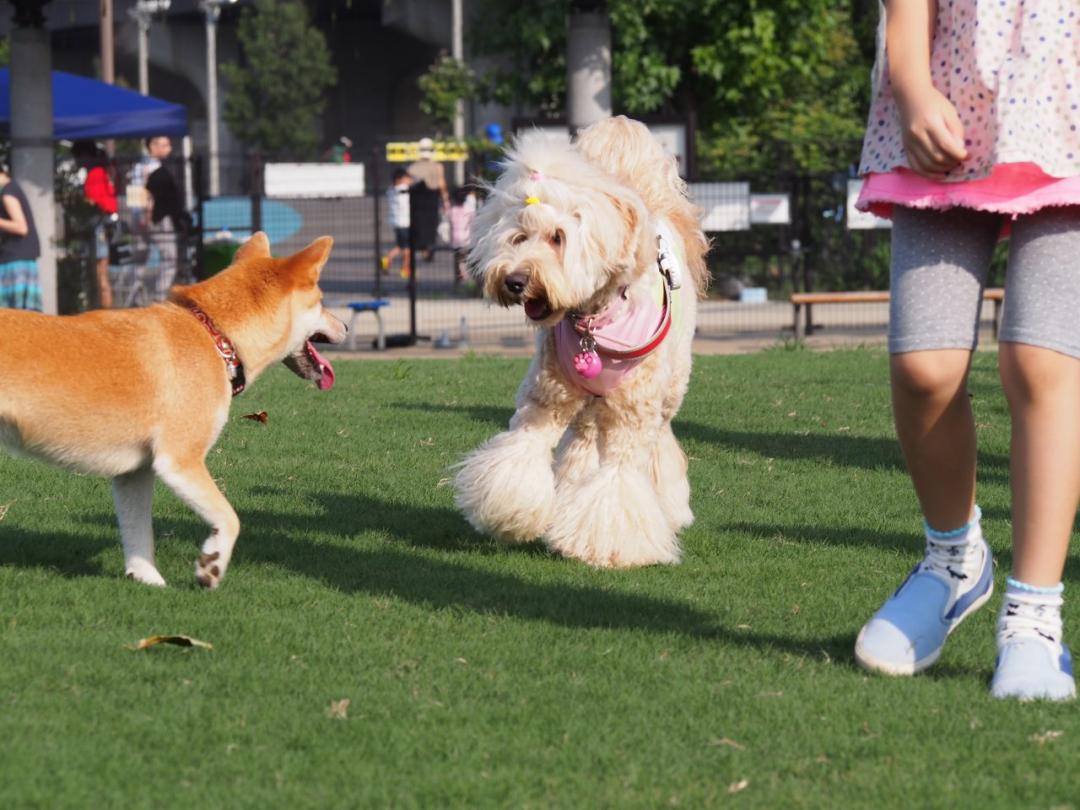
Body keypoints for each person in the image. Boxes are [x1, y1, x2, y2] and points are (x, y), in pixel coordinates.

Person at [853, 1, 1080, 701]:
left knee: (1042, 362)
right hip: (947, 98)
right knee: (925, 369)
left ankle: (1034, 617)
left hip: (1068, 105)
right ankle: (953, 560)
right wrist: (912, 84)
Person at [142, 135, 189, 299]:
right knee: (168, 260)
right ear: (152, 147)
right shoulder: (150, 169)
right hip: (158, 220)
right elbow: (146, 198)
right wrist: (146, 217)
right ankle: (158, 297)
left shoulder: (164, 167)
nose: (168, 149)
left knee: (145, 261)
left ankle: (155, 295)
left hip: (158, 219)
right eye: (164, 145)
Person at [72, 140, 117, 309]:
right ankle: (104, 309)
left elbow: (95, 202)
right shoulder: (102, 171)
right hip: (103, 227)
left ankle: (105, 311)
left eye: (78, 157)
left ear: (86, 156)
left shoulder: (95, 173)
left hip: (98, 228)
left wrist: (81, 204)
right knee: (100, 274)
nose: (77, 161)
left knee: (100, 274)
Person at [0, 162, 42, 310]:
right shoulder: (11, 188)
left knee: (16, 319)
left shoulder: (7, 193)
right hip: (18, 259)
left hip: (16, 262)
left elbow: (21, 227)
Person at [406, 137, 450, 262]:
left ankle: (421, 247)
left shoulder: (412, 167)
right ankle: (428, 247)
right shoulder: (437, 166)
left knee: (419, 224)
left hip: (417, 202)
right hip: (432, 200)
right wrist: (446, 200)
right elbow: (442, 184)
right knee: (431, 224)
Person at [381, 168, 412, 278]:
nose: (409, 180)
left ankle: (387, 259)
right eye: (407, 178)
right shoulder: (404, 189)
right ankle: (405, 268)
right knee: (408, 247)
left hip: (395, 221)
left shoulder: (391, 190)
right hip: (405, 222)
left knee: (401, 245)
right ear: (399, 179)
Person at [448, 184, 477, 286]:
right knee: (469, 261)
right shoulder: (469, 211)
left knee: (457, 261)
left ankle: (458, 280)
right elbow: (473, 226)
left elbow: (450, 227)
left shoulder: (451, 211)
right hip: (467, 240)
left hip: (456, 240)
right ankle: (470, 280)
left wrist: (450, 240)